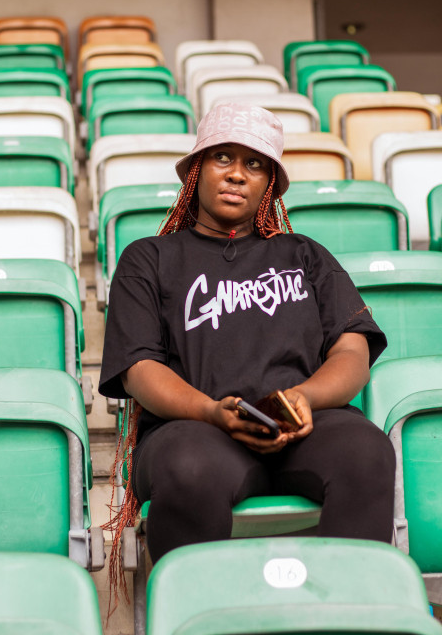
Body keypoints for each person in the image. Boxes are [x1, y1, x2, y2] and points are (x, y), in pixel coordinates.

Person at [99, 102, 396, 573]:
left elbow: (351, 348)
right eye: (223, 158)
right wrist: (211, 412)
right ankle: (200, 616)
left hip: (305, 424)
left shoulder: (305, 254)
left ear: (269, 185)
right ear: (197, 170)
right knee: (189, 470)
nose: (237, 174)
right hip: (193, 430)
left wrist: (303, 397)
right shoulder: (148, 259)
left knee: (366, 452)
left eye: (254, 164)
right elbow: (138, 369)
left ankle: (345, 611)